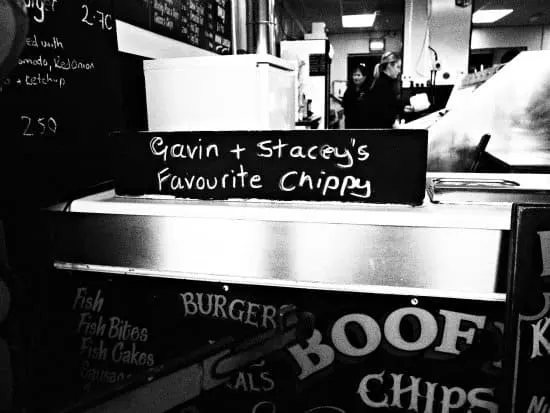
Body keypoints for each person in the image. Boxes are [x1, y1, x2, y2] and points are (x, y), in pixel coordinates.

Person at [364, 52, 413, 128]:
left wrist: (402, 107)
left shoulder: (385, 82)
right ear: (389, 66)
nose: (399, 71)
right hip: (380, 132)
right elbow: (384, 112)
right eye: (398, 67)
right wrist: (395, 123)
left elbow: (390, 104)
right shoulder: (383, 84)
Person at [342, 63, 370, 129]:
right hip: (350, 124)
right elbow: (345, 106)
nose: (356, 77)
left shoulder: (368, 90)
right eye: (354, 75)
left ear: (364, 76)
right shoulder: (349, 90)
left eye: (358, 75)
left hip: (364, 125)